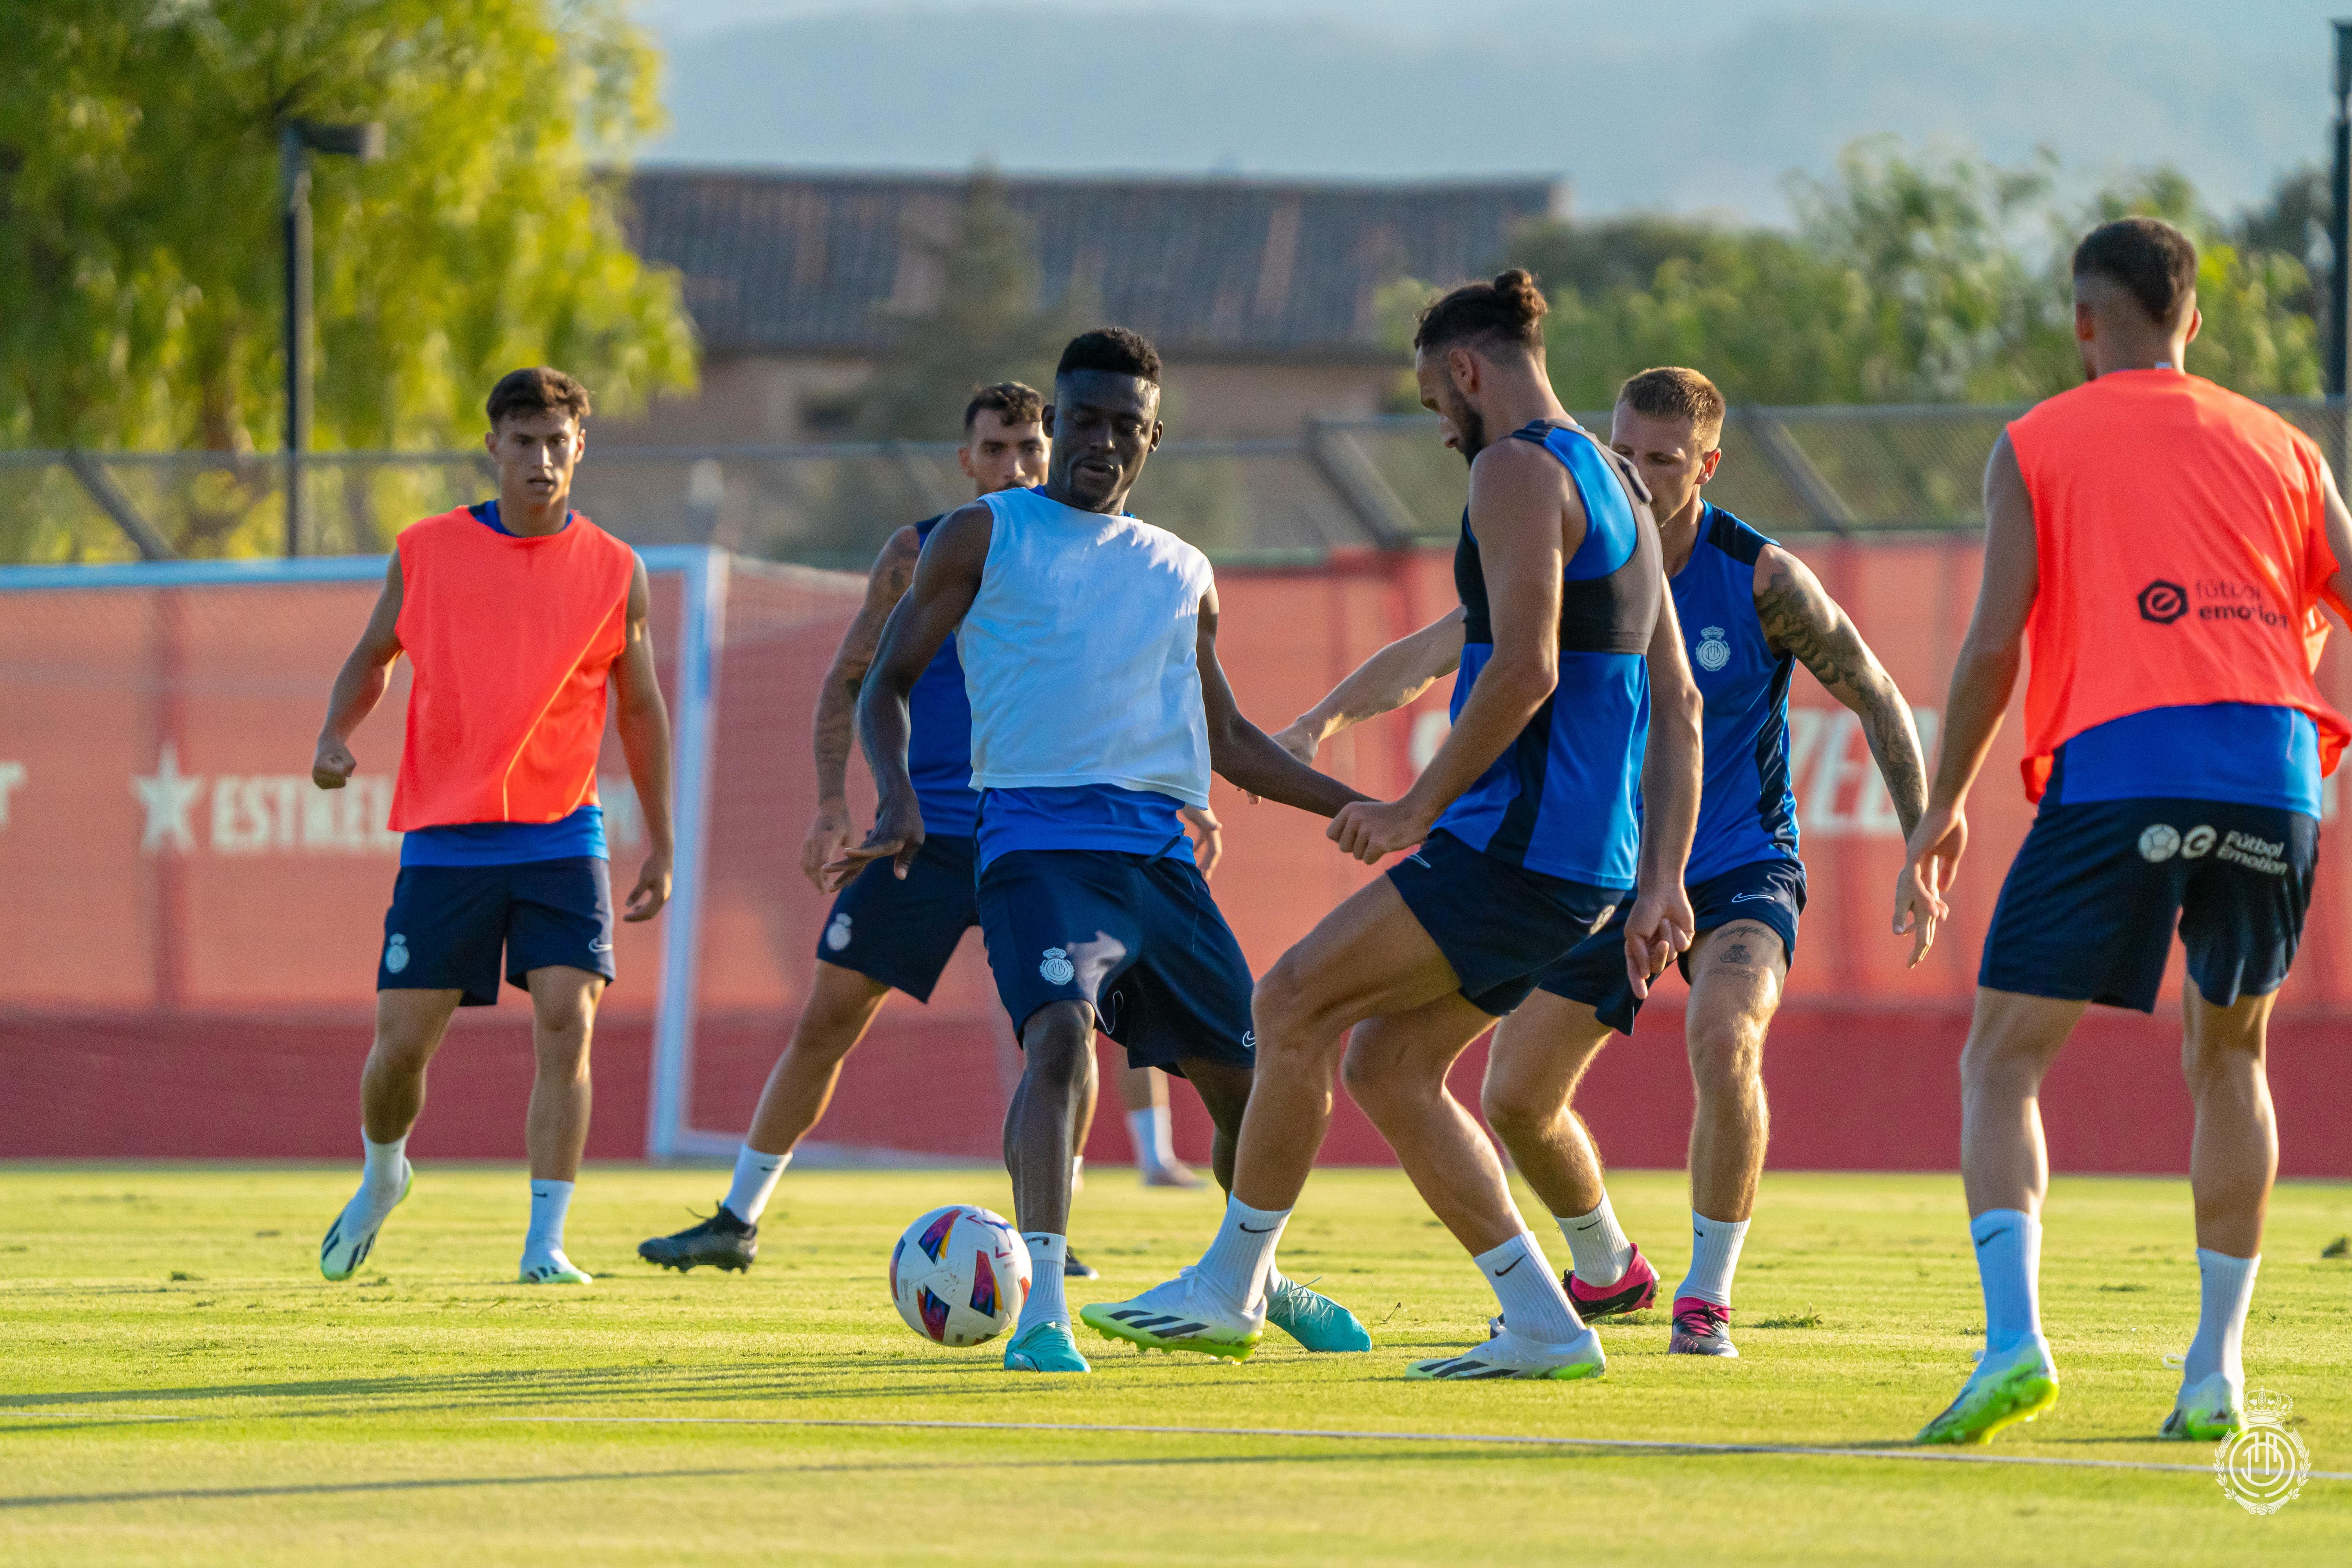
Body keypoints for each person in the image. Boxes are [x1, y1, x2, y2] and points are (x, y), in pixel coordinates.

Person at [1087, 272, 1704, 1380]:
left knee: (1287, 1002)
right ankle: (1546, 1322)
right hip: (1586, 867)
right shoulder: (1616, 480)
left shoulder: (1514, 470)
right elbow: (1679, 703)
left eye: (1434, 403)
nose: (1440, 427)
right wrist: (1660, 877)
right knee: (1389, 1066)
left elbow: (1525, 667)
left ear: (1469, 372)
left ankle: (1231, 1288)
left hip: (1514, 853)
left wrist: (1416, 807)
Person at [1269, 367, 1927, 1358]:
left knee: (1725, 1032)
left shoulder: (1764, 578)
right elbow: (1430, 650)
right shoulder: (1578, 553)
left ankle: (1705, 1298)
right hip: (1613, 873)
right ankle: (1609, 1265)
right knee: (1517, 1101)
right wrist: (1320, 719)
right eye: (1627, 451)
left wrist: (1922, 842)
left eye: (1665, 459)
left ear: (1708, 465)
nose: (1641, 474)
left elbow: (1877, 693)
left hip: (1736, 865)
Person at [831, 327, 1374, 1372]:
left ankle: (1258, 1277)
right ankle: (1042, 1311)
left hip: (1159, 863)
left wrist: (1373, 811)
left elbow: (1232, 745)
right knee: (1063, 1040)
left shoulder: (1182, 570)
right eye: (1082, 419)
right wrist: (895, 795)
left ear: (1152, 438)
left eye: (1126, 425)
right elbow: (885, 682)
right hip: (1036, 847)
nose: (1101, 440)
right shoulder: (982, 535)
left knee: (1253, 1095)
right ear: (1054, 424)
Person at [1895, 218, 2352, 1445]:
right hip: (2271, 775)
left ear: (2086, 319)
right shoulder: (2287, 446)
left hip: (2123, 771)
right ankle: (2215, 1373)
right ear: (2194, 320)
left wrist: (1940, 804)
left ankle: (2014, 1344)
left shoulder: (2037, 441)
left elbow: (1995, 642)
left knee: (2002, 1061)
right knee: (2233, 1062)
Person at [636, 383, 1206, 1277]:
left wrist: (1181, 785)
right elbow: (853, 677)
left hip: (1046, 830)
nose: (1016, 465)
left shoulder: (1102, 552)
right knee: (828, 1017)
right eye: (996, 449)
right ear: (965, 459)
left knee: (1068, 1028)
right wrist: (833, 799)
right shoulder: (922, 548)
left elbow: (1143, 684)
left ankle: (1056, 1238)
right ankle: (737, 1216)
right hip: (927, 832)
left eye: (1030, 447)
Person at [314, 367, 675, 1285]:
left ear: (580, 448)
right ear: (494, 448)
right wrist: (333, 733)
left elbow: (641, 710)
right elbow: (372, 655)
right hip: (447, 837)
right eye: (525, 442)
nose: (543, 460)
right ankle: (385, 1171)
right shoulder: (427, 550)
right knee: (401, 1048)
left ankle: (545, 1240)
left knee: (567, 1021)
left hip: (563, 835)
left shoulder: (616, 568)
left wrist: (663, 841)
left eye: (559, 443)